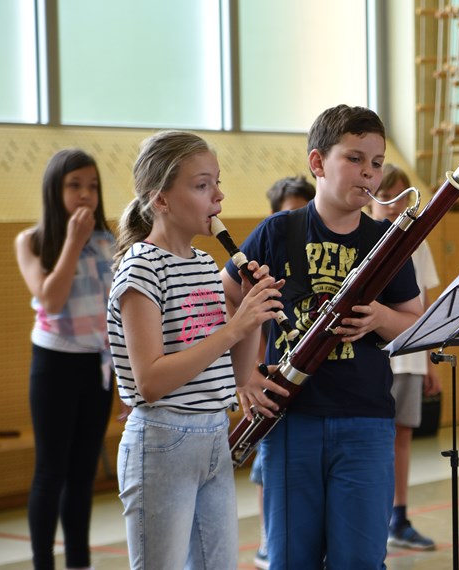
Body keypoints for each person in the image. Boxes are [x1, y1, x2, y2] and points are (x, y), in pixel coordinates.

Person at [222, 105, 421, 569]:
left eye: (376, 163)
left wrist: (378, 319)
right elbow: (230, 298)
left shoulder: (388, 241)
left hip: (365, 422)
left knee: (360, 560)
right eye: (355, 159)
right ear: (317, 163)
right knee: (291, 559)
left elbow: (415, 321)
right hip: (292, 420)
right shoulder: (277, 232)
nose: (368, 173)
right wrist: (246, 374)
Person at [107, 130, 284, 568]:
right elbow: (150, 380)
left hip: (211, 436)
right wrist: (232, 327)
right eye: (202, 185)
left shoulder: (206, 265)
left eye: (216, 183)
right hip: (162, 438)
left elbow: (239, 376)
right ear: (161, 200)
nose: (218, 196)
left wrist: (250, 311)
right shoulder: (142, 267)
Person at [14, 149, 116, 570]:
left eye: (92, 186)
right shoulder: (33, 240)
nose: (85, 195)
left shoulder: (110, 241)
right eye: (74, 185)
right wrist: (73, 242)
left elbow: (117, 314)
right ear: (55, 189)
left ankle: (79, 562)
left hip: (98, 368)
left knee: (82, 473)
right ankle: (42, 563)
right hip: (55, 365)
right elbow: (50, 300)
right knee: (49, 472)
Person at [368, 164, 442, 551]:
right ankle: (372, 518)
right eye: (388, 199)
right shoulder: (362, 237)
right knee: (371, 437)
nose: (395, 207)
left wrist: (429, 360)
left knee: (401, 438)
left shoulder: (419, 241)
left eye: (402, 199)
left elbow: (424, 305)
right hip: (373, 356)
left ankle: (399, 516)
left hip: (409, 357)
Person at [250, 174, 316, 570]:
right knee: (266, 470)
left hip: (310, 387)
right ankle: (266, 537)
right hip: (276, 382)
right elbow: (254, 332)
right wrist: (255, 372)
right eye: (284, 212)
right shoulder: (268, 264)